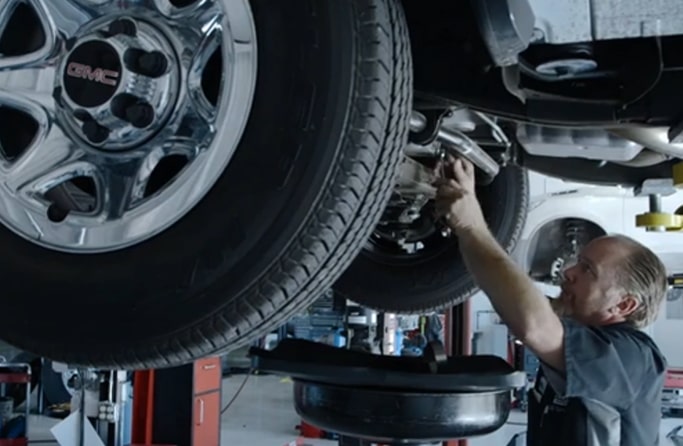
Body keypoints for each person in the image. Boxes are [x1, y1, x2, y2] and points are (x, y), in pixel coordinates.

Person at [434, 157, 669, 446]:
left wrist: (471, 225)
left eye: (587, 270)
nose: (568, 272)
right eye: (578, 262)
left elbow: (532, 324)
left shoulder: (635, 359)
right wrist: (464, 226)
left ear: (623, 306)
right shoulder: (592, 344)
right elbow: (511, 298)